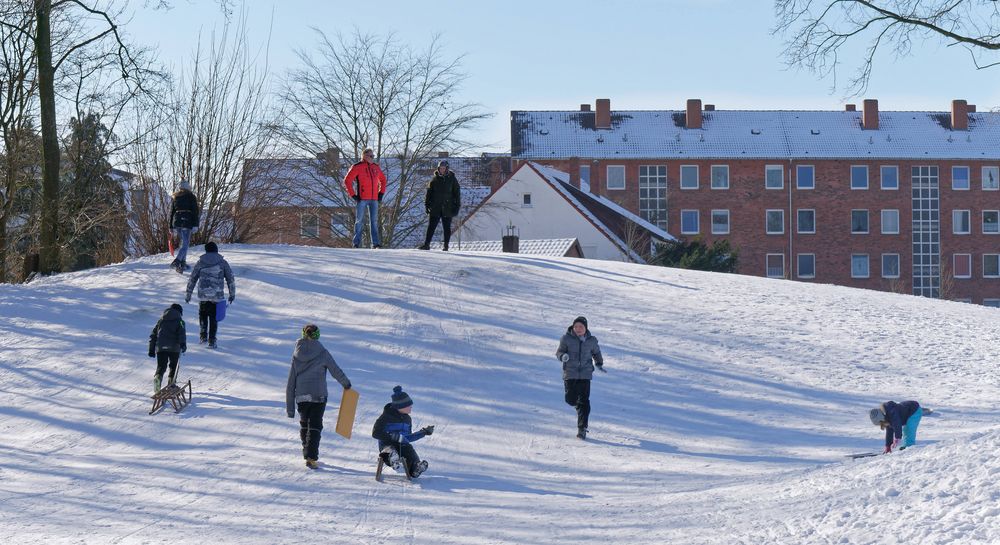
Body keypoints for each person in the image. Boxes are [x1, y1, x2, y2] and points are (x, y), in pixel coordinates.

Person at [285, 324, 352, 469]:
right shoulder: (322, 352)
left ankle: (307, 450)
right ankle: (311, 456)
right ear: (318, 336)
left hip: (301, 396)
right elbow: (335, 370)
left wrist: (290, 409)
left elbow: (291, 381)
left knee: (304, 423)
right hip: (318, 395)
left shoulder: (297, 354)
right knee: (315, 425)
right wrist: (346, 384)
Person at [555, 316, 605, 440]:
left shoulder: (591, 340)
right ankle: (578, 406)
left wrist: (599, 363)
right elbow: (559, 352)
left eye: (581, 327)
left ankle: (582, 428)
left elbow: (596, 352)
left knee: (584, 401)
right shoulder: (566, 338)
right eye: (576, 326)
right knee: (570, 400)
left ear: (585, 328)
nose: (578, 329)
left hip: (585, 375)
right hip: (570, 374)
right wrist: (563, 357)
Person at [372, 386, 434, 478]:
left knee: (408, 448)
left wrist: (424, 432)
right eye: (408, 405)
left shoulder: (407, 419)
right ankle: (392, 459)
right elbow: (375, 433)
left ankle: (415, 467)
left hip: (401, 445)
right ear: (400, 406)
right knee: (390, 449)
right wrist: (392, 436)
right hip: (386, 444)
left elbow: (407, 437)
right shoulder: (385, 417)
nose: (411, 407)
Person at [185, 241, 235, 349]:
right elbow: (230, 279)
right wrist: (232, 294)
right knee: (213, 318)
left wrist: (188, 294)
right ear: (216, 250)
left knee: (203, 316)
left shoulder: (200, 262)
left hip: (203, 295)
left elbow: (192, 279)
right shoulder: (222, 263)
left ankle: (203, 337)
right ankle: (212, 341)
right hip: (216, 296)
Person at [342, 148, 387, 249]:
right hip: (362, 199)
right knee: (359, 221)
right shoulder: (357, 167)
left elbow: (383, 180)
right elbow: (347, 181)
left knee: (374, 221)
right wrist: (353, 195)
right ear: (364, 156)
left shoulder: (375, 167)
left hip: (374, 199)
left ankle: (376, 244)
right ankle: (356, 243)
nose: (372, 158)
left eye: (373, 156)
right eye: (371, 156)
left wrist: (381, 193)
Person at [419, 160, 461, 251]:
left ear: (447, 169)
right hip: (435, 207)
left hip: (447, 207)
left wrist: (457, 207)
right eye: (440, 168)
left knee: (446, 227)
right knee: (431, 227)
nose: (442, 170)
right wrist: (427, 205)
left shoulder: (452, 179)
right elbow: (429, 193)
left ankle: (446, 246)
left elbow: (457, 194)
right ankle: (426, 244)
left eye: (443, 168)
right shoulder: (434, 179)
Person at [147, 303, 187, 393]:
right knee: (174, 366)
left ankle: (157, 378)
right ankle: (171, 385)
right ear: (180, 312)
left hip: (161, 347)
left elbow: (153, 335)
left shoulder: (161, 321)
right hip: (174, 348)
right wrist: (183, 344)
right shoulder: (180, 321)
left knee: (161, 366)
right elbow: (181, 333)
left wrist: (151, 349)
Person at [169, 180, 200, 273]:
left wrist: (171, 226)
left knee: (184, 244)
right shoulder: (191, 196)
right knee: (185, 244)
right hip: (187, 222)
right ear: (188, 187)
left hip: (177, 222)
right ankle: (177, 261)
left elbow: (172, 213)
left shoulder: (175, 197)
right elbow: (195, 211)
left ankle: (182, 264)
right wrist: (195, 224)